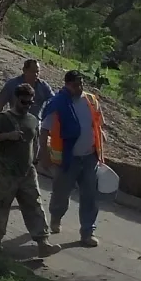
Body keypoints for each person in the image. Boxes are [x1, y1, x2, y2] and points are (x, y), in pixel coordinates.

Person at [0, 83, 57, 252]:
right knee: (0, 208)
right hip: (5, 172)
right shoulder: (2, 118)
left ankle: (43, 242)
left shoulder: (32, 120)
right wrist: (8, 136)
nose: (27, 106)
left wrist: (36, 160)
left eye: (30, 103)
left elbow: (35, 140)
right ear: (16, 99)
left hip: (27, 171)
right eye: (24, 102)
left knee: (35, 206)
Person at [39, 70, 106, 247]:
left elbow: (98, 123)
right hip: (67, 159)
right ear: (66, 84)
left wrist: (100, 137)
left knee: (90, 195)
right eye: (75, 85)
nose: (79, 88)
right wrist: (43, 155)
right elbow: (44, 130)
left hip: (89, 156)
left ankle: (87, 232)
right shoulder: (58, 103)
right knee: (61, 193)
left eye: (81, 84)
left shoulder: (91, 100)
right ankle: (55, 217)